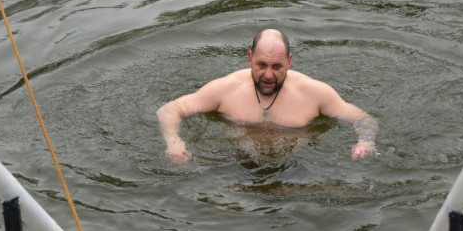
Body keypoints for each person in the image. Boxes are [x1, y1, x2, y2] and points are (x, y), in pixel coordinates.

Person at [157, 27, 378, 163]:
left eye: (277, 66)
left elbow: (362, 118)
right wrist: (175, 144)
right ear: (249, 58)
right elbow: (171, 109)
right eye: (261, 65)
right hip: (234, 162)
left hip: (298, 164)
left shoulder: (314, 93)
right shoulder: (226, 89)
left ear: (289, 62)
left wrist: (365, 142)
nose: (269, 75)